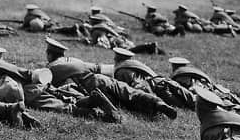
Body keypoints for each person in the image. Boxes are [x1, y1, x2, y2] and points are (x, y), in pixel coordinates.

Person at [44, 37, 177, 119]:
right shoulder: (75, 60)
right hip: (99, 78)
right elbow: (102, 68)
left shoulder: (49, 69)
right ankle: (157, 103)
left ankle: (147, 110)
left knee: (124, 104)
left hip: (89, 90)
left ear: (50, 55)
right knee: (130, 93)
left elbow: (47, 86)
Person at [0, 49, 121, 123]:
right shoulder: (8, 66)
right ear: (1, 55)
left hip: (29, 94)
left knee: (63, 108)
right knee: (65, 99)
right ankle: (91, 100)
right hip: (40, 85)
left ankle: (99, 115)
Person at [168, 57, 240, 121]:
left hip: (211, 96)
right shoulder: (195, 72)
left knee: (234, 110)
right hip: (220, 91)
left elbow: (189, 96)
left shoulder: (179, 77)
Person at [113, 49, 195, 109]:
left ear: (118, 59)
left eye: (115, 58)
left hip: (158, 88)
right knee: (188, 99)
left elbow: (129, 87)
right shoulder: (134, 64)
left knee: (182, 105)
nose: (114, 59)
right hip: (162, 82)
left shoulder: (122, 71)